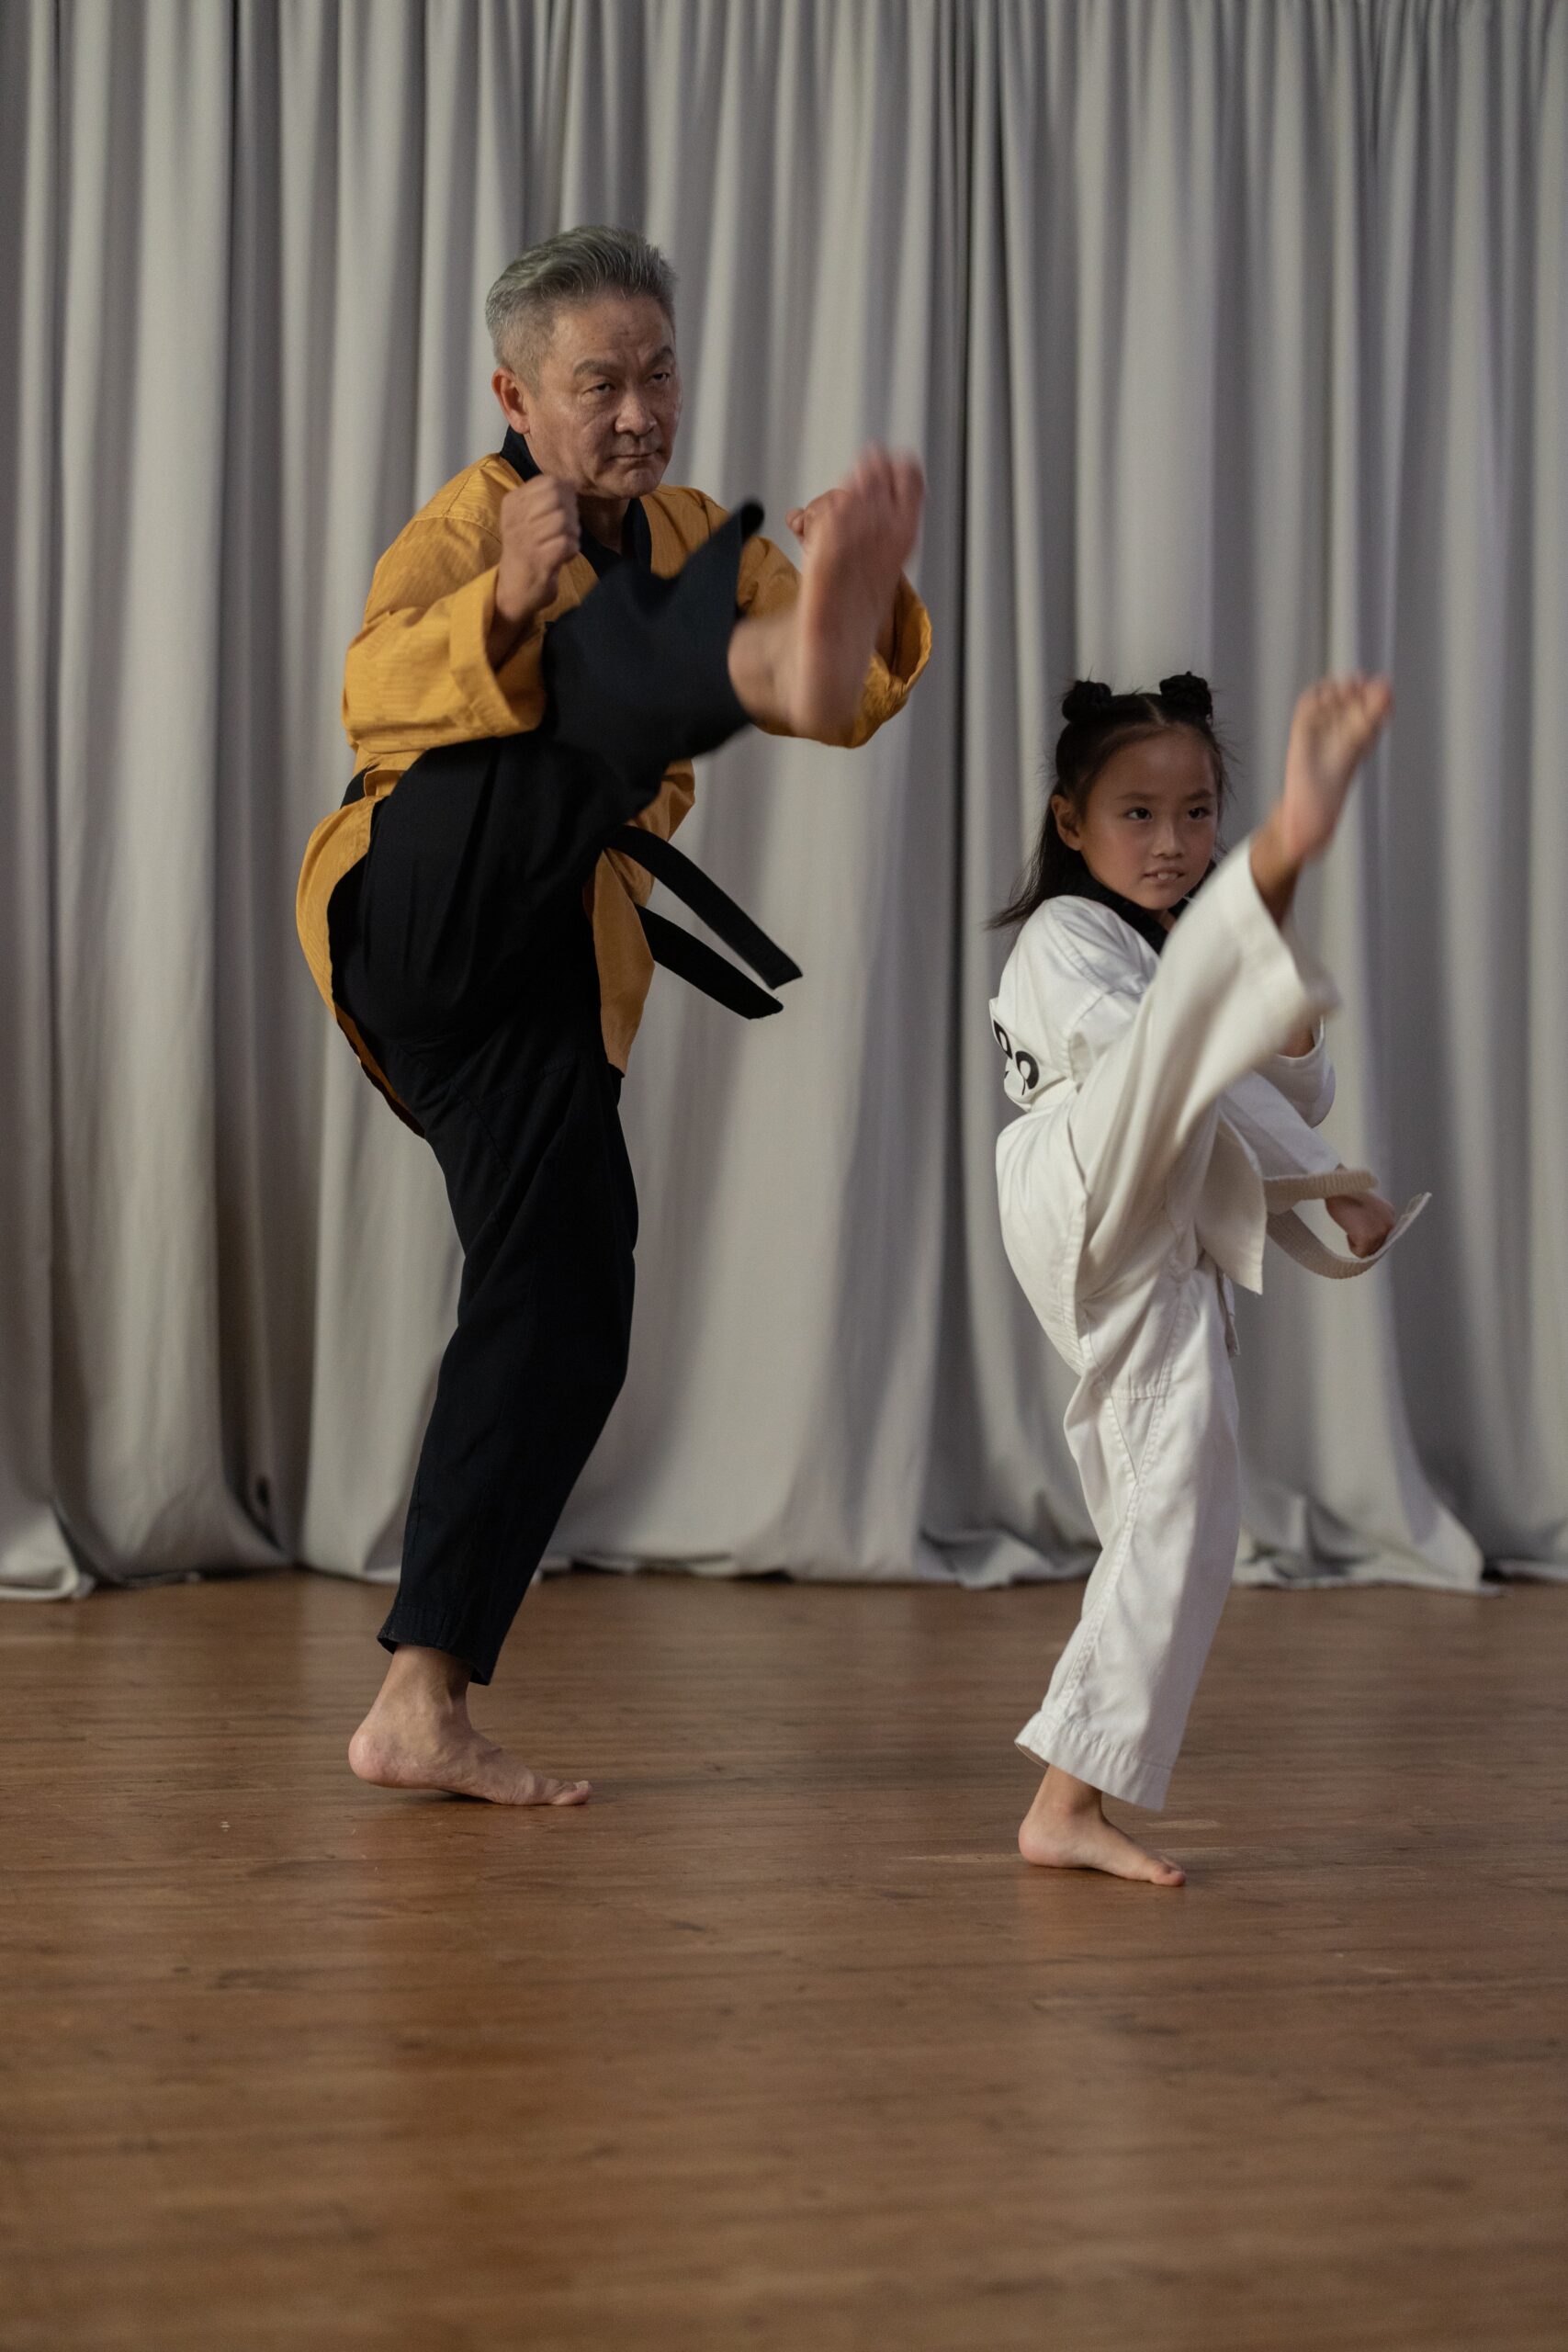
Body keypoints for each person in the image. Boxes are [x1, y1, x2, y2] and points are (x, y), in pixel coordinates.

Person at [294, 225, 929, 1805]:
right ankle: (647, 671)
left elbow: (852, 701)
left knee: (570, 1287)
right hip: (424, 905)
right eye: (601, 383)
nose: (640, 411)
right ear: (517, 394)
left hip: (541, 973)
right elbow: (373, 691)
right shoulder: (465, 518)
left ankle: (418, 1699)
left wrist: (859, 593)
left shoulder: (697, 528)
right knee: (597, 671)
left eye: (660, 374)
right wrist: (504, 603)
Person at [989, 672, 1427, 1884]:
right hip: (1091, 1177)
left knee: (1185, 1505)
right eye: (1139, 815)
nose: (1173, 842)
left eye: (1198, 817)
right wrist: (1328, 1174)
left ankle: (1066, 1799)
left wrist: (1330, 1168)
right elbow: (1167, 1061)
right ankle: (1063, 1804)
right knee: (1181, 1039)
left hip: (1160, 1227)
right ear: (1072, 824)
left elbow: (1278, 1079)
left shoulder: (1173, 957)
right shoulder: (1064, 938)